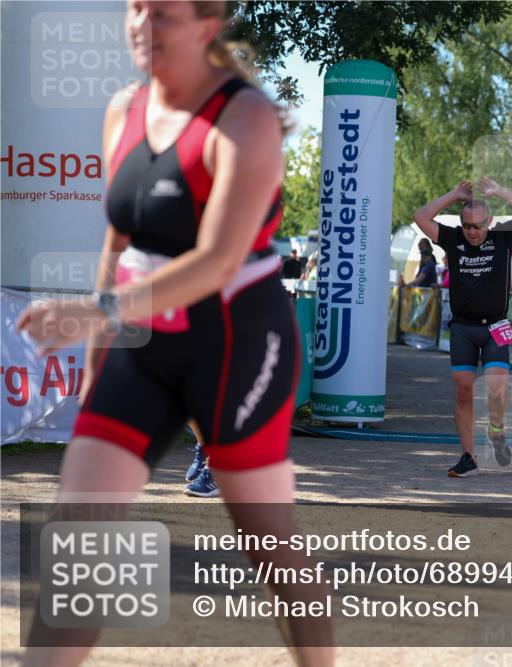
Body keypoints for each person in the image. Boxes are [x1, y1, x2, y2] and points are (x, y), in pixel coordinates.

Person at [16, 1, 331, 663]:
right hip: (145, 337)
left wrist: (96, 313)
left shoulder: (245, 117)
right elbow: (119, 236)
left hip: (238, 341)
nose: (141, 24)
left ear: (207, 24)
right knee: (82, 529)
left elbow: (217, 259)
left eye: (162, 13)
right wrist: (101, 358)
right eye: (135, 8)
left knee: (268, 541)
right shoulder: (122, 109)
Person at [413, 177, 512, 477]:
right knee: (463, 389)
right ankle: (469, 456)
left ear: (489, 222)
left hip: (495, 326)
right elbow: (420, 216)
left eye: (478, 226)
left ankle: (496, 430)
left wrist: (500, 192)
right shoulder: (452, 238)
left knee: (497, 389)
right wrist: (454, 194)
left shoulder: (502, 237)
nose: (472, 232)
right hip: (463, 328)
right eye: (467, 226)